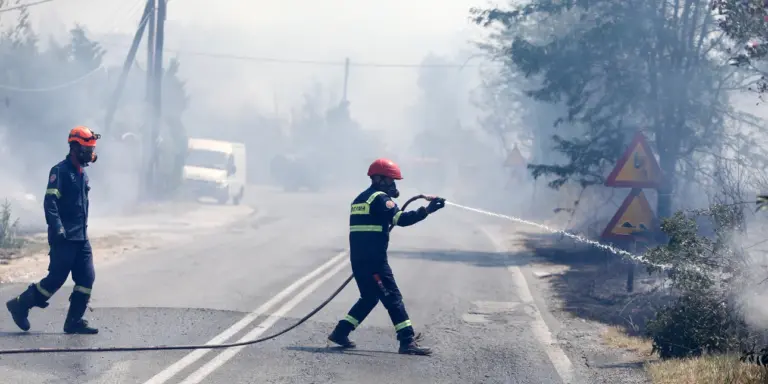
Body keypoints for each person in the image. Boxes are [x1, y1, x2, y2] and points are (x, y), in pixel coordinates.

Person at [327, 158, 445, 355]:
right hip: (375, 262)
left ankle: (341, 332)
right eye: (391, 180)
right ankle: (407, 341)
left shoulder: (360, 199)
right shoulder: (380, 199)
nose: (393, 185)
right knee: (393, 298)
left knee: (369, 298)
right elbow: (401, 219)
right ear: (379, 179)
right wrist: (427, 210)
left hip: (359, 260)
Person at [6, 126, 100, 334]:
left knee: (86, 278)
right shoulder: (60, 171)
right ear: (74, 148)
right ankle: (20, 304)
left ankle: (74, 321)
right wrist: (57, 227)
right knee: (55, 280)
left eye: (92, 149)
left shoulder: (82, 174)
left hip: (81, 237)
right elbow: (50, 202)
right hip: (64, 237)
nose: (90, 154)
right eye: (87, 149)